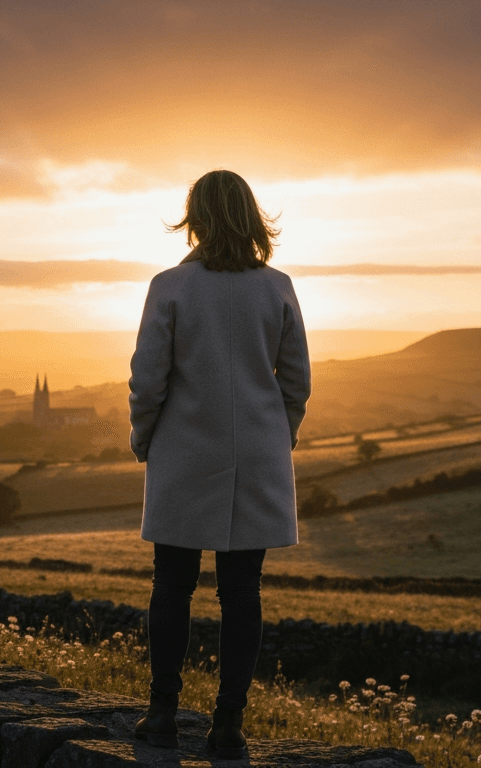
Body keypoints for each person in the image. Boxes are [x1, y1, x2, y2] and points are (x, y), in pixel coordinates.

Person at [128, 169, 310, 760]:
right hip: (257, 455)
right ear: (253, 217)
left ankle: (161, 714)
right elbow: (297, 383)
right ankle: (228, 725)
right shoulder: (278, 286)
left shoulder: (171, 287)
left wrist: (143, 436)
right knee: (243, 592)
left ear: (197, 218)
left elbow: (148, 379)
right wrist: (278, 439)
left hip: (184, 452)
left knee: (171, 586)